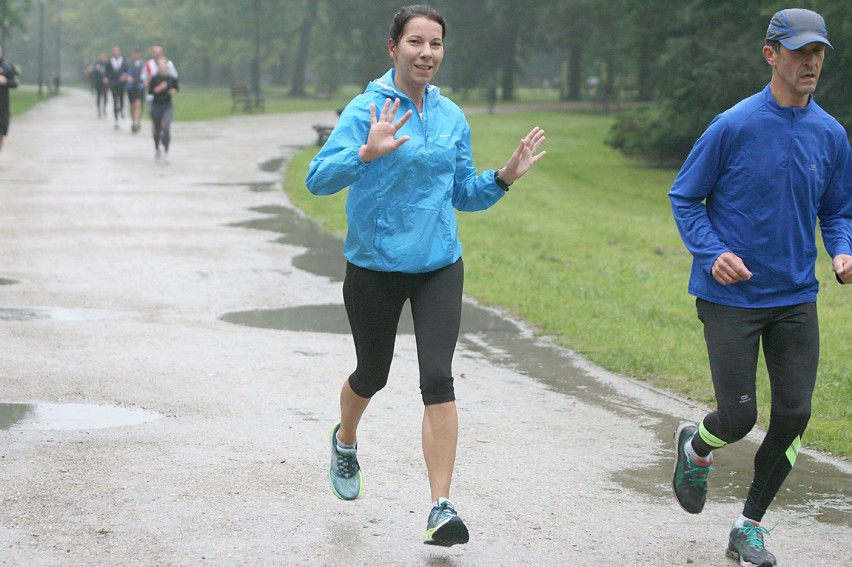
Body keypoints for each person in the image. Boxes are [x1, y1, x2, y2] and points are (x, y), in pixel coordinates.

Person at [305, 4, 546, 548]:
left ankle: (441, 506)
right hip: (374, 267)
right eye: (416, 42)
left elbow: (462, 191)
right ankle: (346, 439)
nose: (427, 53)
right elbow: (317, 179)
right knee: (373, 373)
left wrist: (504, 177)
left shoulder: (451, 117)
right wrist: (364, 153)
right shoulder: (367, 109)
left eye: (435, 44)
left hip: (439, 264)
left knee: (437, 377)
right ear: (394, 48)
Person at [668, 8, 851, 567]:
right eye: (800, 52)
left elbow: (837, 210)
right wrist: (713, 251)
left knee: (794, 415)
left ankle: (748, 526)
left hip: (796, 296)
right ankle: (697, 446)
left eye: (817, 52)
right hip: (731, 299)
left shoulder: (831, 134)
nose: (810, 62)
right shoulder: (733, 125)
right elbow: (684, 197)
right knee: (739, 418)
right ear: (771, 54)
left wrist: (842, 248)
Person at [148, 57, 179, 163]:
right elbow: (150, 92)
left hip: (167, 106)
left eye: (163, 64)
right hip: (156, 106)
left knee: (166, 127)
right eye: (160, 64)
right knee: (157, 130)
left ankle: (166, 151)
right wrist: (159, 88)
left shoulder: (171, 78)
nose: (162, 66)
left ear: (167, 66)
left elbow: (176, 88)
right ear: (158, 67)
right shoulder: (154, 78)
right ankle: (157, 148)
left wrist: (173, 91)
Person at [0, 46, 19, 160]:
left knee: (1, 131)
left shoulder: (7, 67)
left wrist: (6, 81)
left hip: (2, 106)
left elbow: (15, 82)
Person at [104, 46, 128, 129]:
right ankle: (116, 120)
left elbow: (127, 70)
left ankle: (121, 109)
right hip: (113, 83)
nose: (116, 53)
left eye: (117, 51)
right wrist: (106, 78)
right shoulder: (110, 62)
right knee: (115, 101)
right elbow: (106, 72)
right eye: (114, 51)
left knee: (121, 99)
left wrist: (124, 76)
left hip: (121, 84)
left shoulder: (124, 61)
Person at [125, 48, 147, 133]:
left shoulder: (144, 64)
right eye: (135, 53)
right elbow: (123, 73)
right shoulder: (128, 63)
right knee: (132, 105)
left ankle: (137, 122)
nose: (136, 55)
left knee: (138, 104)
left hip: (140, 86)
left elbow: (147, 74)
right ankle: (134, 120)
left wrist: (146, 81)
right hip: (131, 87)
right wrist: (127, 77)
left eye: (138, 53)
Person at [88, 52, 109, 118]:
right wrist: (95, 69)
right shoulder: (96, 63)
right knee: (99, 97)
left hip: (105, 83)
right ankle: (99, 110)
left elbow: (110, 72)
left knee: (105, 96)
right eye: (101, 56)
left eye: (104, 56)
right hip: (98, 83)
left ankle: (104, 109)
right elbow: (91, 70)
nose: (102, 58)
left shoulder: (107, 64)